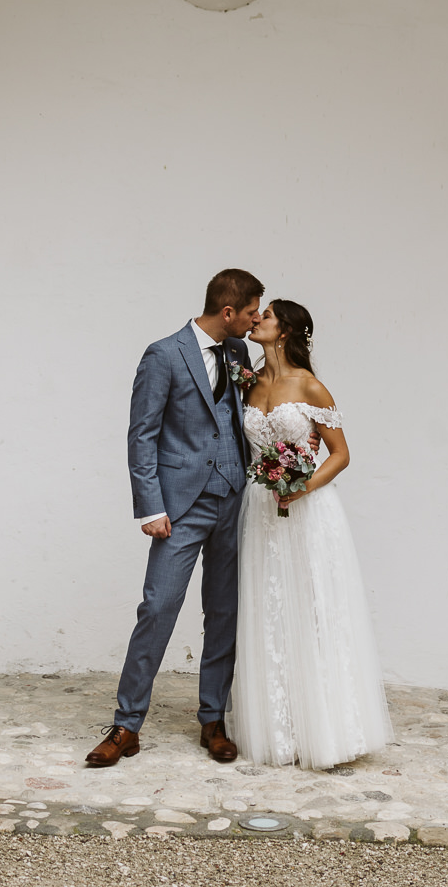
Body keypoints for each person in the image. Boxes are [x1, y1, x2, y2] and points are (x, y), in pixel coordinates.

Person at [85, 268, 263, 768]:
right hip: (180, 506)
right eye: (250, 312)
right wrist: (152, 506)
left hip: (233, 497)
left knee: (224, 612)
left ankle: (213, 719)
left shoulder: (238, 353)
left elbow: (237, 419)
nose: (254, 321)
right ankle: (126, 725)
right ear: (228, 311)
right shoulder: (163, 354)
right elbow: (141, 434)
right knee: (158, 608)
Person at [229, 299, 393, 768]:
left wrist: (300, 487)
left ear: (285, 332)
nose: (256, 319)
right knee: (270, 610)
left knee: (315, 608)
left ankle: (330, 730)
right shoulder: (250, 381)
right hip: (261, 508)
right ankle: (278, 729)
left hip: (307, 510)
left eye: (267, 316)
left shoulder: (310, 386)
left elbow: (340, 454)